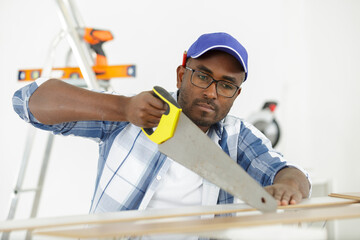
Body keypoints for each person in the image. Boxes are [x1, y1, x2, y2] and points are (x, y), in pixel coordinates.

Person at [12, 32, 311, 216]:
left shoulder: (238, 136)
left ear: (236, 94)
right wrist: (122, 107)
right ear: (181, 75)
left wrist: (287, 188)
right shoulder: (134, 113)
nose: (211, 92)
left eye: (226, 85)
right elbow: (26, 102)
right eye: (203, 76)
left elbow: (292, 175)